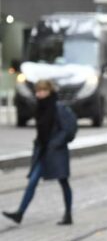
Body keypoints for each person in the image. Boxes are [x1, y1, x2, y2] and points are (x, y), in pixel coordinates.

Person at [3, 80, 76, 225]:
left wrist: (55, 143)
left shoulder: (58, 107)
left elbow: (68, 129)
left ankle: (68, 214)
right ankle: (20, 213)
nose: (40, 93)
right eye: (38, 91)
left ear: (49, 91)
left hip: (56, 152)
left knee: (63, 181)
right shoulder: (40, 107)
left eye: (43, 90)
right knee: (32, 182)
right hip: (42, 151)